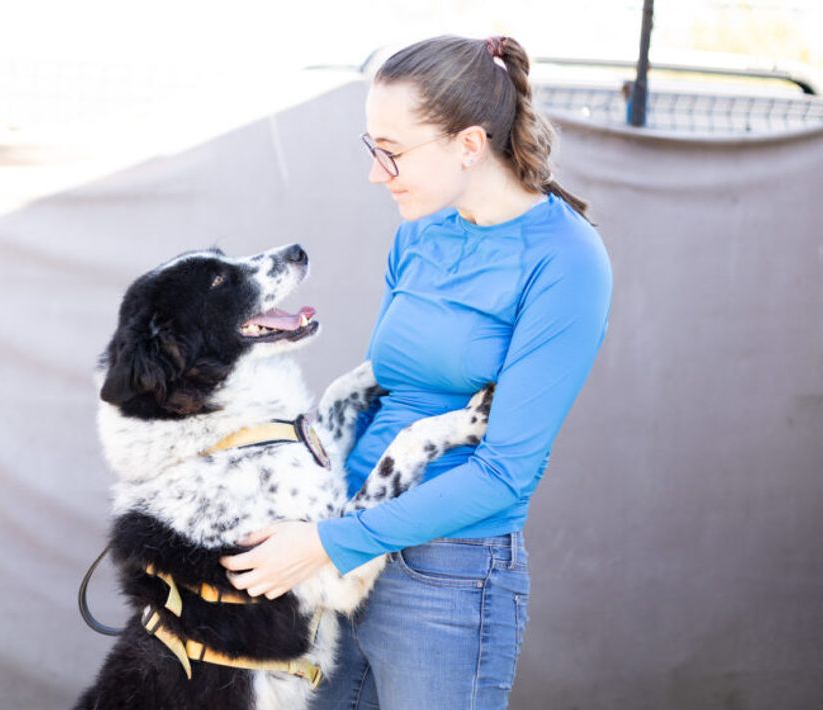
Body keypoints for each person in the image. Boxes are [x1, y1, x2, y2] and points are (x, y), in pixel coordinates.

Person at [219, 34, 613, 709]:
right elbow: (387, 385)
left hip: (444, 578)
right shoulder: (419, 233)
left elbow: (507, 473)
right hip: (335, 552)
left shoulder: (566, 260)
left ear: (469, 144)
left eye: (392, 151)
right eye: (371, 147)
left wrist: (329, 544)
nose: (377, 173)